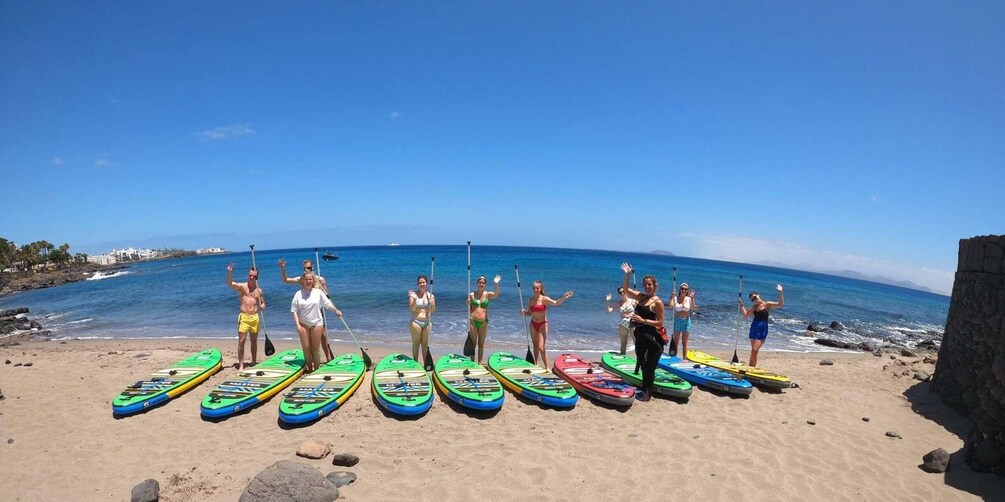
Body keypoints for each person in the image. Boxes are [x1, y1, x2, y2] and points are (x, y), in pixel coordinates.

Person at [620, 262, 665, 401]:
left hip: (652, 339)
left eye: (650, 284)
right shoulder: (642, 297)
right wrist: (627, 275)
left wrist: (642, 320)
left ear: (655, 286)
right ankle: (644, 390)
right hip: (640, 337)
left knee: (649, 368)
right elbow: (626, 290)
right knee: (643, 365)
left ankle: (647, 394)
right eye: (645, 284)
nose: (647, 287)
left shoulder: (657, 302)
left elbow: (660, 322)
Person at [279, 258, 333, 362]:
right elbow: (286, 280)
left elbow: (326, 296)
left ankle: (328, 358)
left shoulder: (320, 279)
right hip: (306, 313)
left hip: (317, 312)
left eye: (308, 268)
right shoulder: (301, 279)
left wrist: (323, 291)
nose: (307, 270)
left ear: (312, 267)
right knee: (309, 339)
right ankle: (312, 360)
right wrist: (282, 269)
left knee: (323, 335)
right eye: (305, 268)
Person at [291, 272, 342, 372]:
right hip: (303, 323)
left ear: (313, 280)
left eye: (310, 279)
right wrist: (298, 325)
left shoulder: (318, 292)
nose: (308, 281)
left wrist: (336, 310)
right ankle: (310, 368)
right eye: (306, 279)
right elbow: (294, 310)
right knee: (306, 348)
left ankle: (317, 368)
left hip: (317, 323)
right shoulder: (298, 294)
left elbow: (327, 305)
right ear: (303, 281)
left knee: (315, 348)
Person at [520, 280, 573, 369]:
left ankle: (547, 367)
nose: (535, 289)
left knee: (541, 347)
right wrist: (523, 313)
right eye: (534, 288)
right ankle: (536, 365)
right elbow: (529, 313)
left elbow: (556, 303)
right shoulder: (531, 300)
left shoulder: (544, 299)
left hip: (542, 324)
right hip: (533, 324)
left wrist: (564, 297)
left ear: (541, 289)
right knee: (535, 346)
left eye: (537, 288)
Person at [227, 263, 265, 371]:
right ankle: (241, 364)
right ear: (248, 275)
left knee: (254, 341)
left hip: (255, 318)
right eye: (250, 275)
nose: (252, 277)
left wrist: (262, 306)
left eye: (254, 276)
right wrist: (230, 273)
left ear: (257, 277)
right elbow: (230, 284)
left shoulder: (259, 290)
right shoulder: (243, 287)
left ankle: (253, 362)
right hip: (244, 317)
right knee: (242, 341)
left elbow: (262, 303)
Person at [738, 284, 784, 367]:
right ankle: (751, 368)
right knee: (753, 351)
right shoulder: (754, 307)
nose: (755, 300)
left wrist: (780, 292)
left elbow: (780, 304)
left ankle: (752, 368)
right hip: (754, 328)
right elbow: (745, 315)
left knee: (755, 350)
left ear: (758, 295)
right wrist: (741, 305)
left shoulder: (767, 304)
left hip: (762, 328)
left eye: (755, 297)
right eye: (753, 299)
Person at [468, 274, 501, 365]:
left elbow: (497, 294)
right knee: (473, 344)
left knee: (481, 344)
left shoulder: (488, 294)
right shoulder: (472, 294)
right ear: (477, 283)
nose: (481, 284)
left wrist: (496, 284)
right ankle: (472, 362)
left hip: (483, 322)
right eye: (480, 282)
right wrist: (467, 302)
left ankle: (479, 363)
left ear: (485, 284)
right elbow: (469, 306)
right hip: (473, 321)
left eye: (483, 283)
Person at [408, 275, 436, 363]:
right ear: (418, 284)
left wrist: (432, 304)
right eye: (420, 283)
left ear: (426, 283)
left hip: (427, 322)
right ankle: (416, 362)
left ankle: (425, 363)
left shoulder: (430, 295)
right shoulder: (413, 295)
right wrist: (415, 300)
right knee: (416, 344)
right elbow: (412, 309)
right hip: (416, 322)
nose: (422, 284)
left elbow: (433, 311)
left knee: (425, 345)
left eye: (423, 282)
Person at [605, 287, 636, 355]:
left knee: (636, 341)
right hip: (623, 324)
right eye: (620, 292)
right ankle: (623, 357)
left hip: (632, 323)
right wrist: (607, 301)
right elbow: (609, 310)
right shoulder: (620, 303)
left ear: (626, 292)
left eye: (623, 291)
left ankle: (640, 359)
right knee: (623, 342)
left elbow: (641, 308)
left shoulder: (633, 301)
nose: (622, 293)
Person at [669, 283, 697, 358]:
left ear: (687, 290)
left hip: (686, 321)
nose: (684, 290)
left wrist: (693, 298)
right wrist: (671, 297)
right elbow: (670, 306)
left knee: (685, 343)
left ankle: (684, 359)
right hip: (677, 321)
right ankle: (674, 358)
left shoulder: (689, 299)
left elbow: (693, 308)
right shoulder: (675, 298)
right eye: (682, 288)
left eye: (685, 289)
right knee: (676, 342)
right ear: (680, 289)